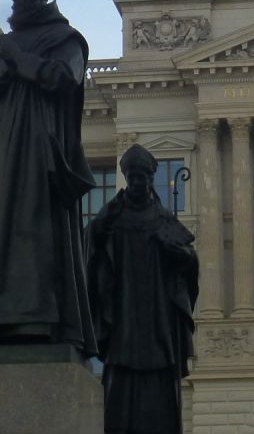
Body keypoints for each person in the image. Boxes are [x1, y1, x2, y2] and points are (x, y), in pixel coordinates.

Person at [0, 0, 97, 351]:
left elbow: (64, 78)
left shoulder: (65, 38)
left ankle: (31, 321)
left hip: (33, 149)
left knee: (28, 234)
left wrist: (17, 61)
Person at [86, 144, 198, 434]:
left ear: (151, 180)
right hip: (123, 313)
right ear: (126, 178)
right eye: (132, 177)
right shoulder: (111, 217)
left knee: (161, 379)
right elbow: (88, 248)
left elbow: (189, 261)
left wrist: (181, 256)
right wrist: (99, 227)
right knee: (121, 382)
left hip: (158, 315)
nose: (137, 183)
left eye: (142, 178)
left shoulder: (164, 219)